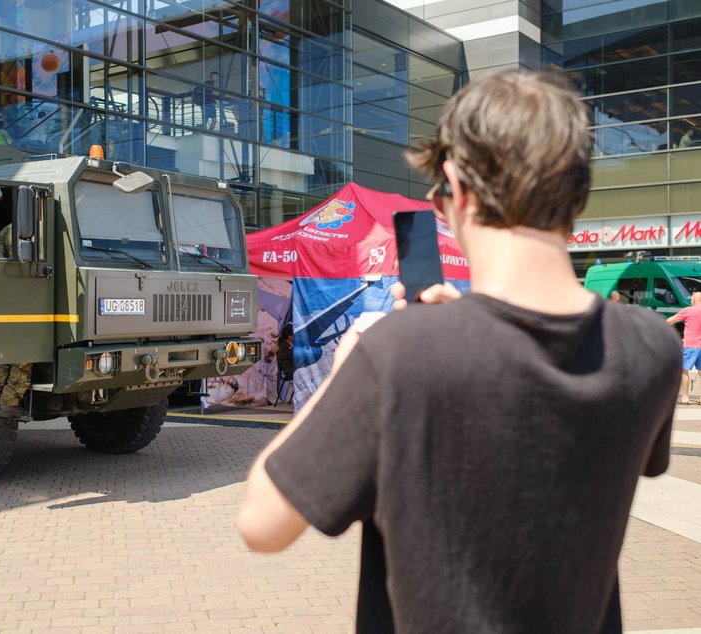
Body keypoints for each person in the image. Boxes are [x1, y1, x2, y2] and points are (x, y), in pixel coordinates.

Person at [237, 70, 681, 633]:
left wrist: (347, 368)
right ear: (580, 193)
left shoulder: (396, 356)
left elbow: (261, 523)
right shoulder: (651, 348)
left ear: (456, 185)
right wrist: (457, 330)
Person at [0, 224, 32, 419]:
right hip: (25, 296)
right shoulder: (37, 226)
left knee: (4, 355)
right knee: (26, 352)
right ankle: (9, 403)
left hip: (4, 295)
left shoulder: (8, 229)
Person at [666, 291, 701, 405]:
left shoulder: (688, 311)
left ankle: (685, 397)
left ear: (693, 300)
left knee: (685, 370)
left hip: (690, 345)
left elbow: (672, 320)